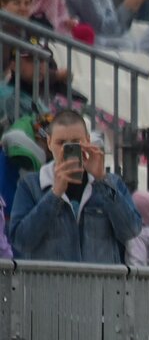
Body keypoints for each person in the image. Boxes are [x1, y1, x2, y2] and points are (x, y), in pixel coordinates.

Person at [8, 110, 141, 263]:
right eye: (61, 143)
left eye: (75, 142)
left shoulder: (111, 183)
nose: (67, 148)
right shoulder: (31, 185)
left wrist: (102, 179)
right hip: (51, 285)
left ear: (88, 141)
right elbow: (21, 241)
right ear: (49, 143)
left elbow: (131, 231)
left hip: (100, 284)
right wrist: (54, 195)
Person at [64, 0, 146, 48]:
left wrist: (133, 6)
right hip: (84, 46)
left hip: (99, 42)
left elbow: (117, 28)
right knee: (127, 45)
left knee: (135, 40)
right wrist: (126, 7)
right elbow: (103, 31)